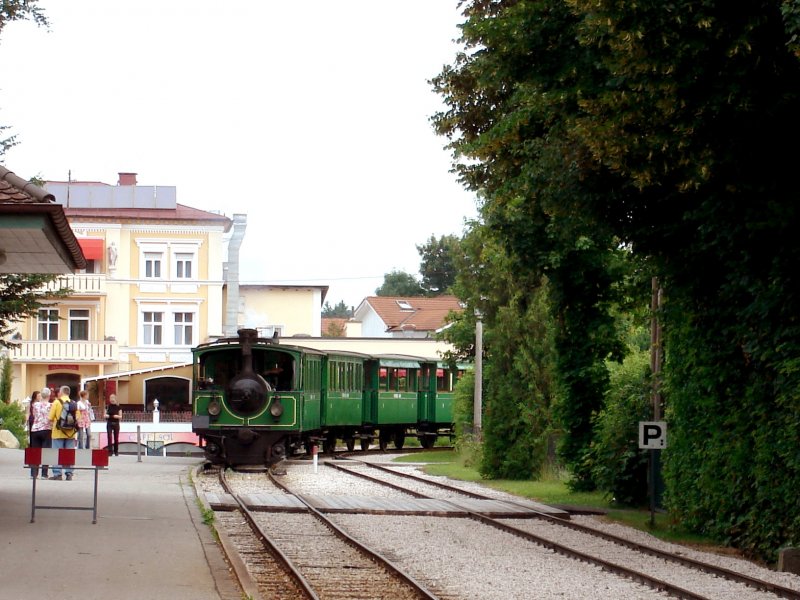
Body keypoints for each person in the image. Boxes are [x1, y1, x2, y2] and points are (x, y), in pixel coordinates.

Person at [48, 385, 78, 480]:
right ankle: (69, 473)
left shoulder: (56, 402)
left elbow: (50, 418)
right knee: (69, 453)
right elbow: (78, 418)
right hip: (71, 433)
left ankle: (57, 474)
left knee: (56, 453)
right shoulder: (74, 403)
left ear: (61, 392)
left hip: (58, 432)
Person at [29, 390, 52, 478]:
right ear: (49, 395)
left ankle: (34, 473)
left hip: (35, 429)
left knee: (35, 452)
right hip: (46, 429)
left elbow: (34, 415)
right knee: (45, 452)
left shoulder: (35, 405)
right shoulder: (51, 405)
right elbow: (51, 417)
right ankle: (44, 474)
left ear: (41, 395)